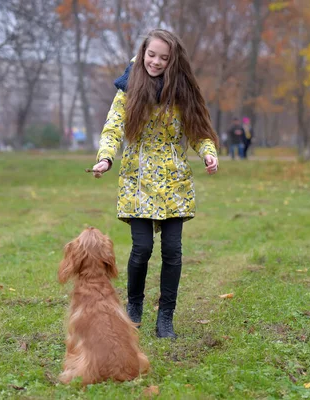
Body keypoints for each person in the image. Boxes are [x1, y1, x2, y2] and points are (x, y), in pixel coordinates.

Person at [90, 29, 219, 339]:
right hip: (138, 180)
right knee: (142, 248)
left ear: (173, 60)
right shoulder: (128, 88)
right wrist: (106, 158)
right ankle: (134, 307)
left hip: (175, 182)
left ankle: (166, 318)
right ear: (142, 52)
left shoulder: (183, 90)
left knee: (173, 251)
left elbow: (198, 132)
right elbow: (113, 128)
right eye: (151, 55)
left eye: (164, 57)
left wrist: (208, 153)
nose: (156, 62)